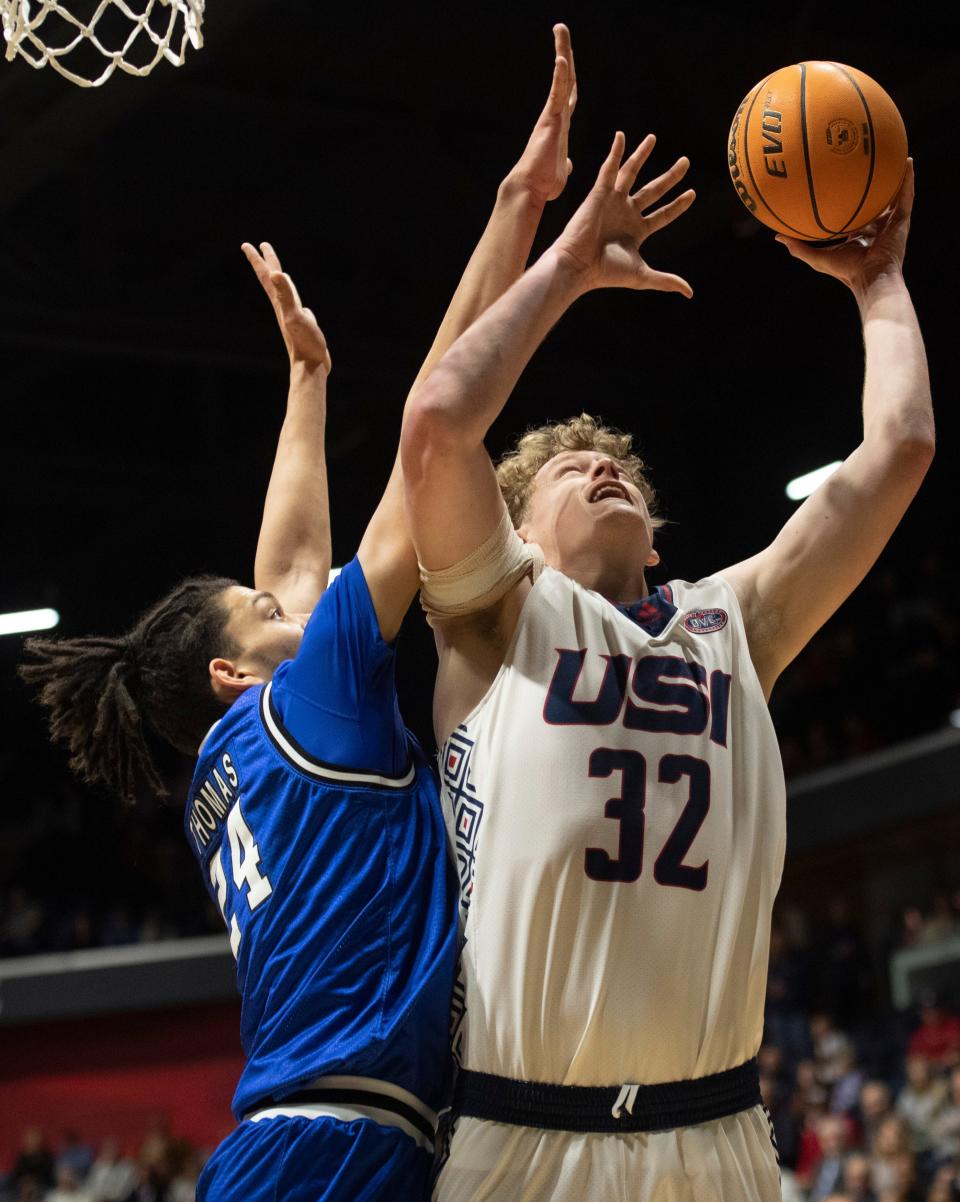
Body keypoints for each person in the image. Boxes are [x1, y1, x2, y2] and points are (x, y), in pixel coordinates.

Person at [20, 25, 581, 1202]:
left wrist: (309, 385)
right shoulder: (290, 711)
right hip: (339, 1144)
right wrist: (517, 213)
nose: (305, 597)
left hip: (303, 1137)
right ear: (237, 670)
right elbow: (436, 421)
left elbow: (286, 562)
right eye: (273, 609)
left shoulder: (247, 745)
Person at [401, 94, 933, 1199]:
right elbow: (440, 422)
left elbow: (901, 448)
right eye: (566, 469)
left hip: (721, 1134)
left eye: (625, 470)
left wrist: (878, 287)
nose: (604, 470)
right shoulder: (494, 616)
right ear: (514, 529)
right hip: (521, 1136)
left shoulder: (734, 619)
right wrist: (563, 267)